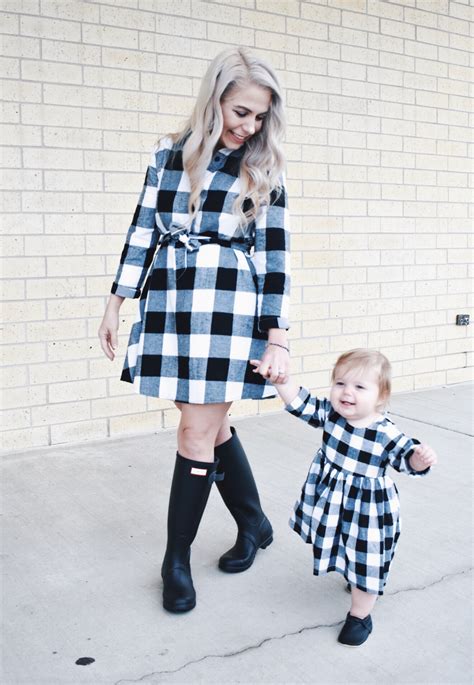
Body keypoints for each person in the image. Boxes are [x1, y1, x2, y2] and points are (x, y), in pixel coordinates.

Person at [98, 47, 290, 614]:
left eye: (259, 117)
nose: (248, 126)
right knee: (210, 424)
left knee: (194, 434)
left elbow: (275, 257)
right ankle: (254, 523)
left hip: (231, 308)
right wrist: (116, 302)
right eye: (239, 112)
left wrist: (276, 335)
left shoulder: (265, 167)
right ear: (214, 102)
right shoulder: (167, 156)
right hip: (171, 304)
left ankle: (175, 561)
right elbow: (141, 230)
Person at [251, 348, 437, 645]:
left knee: (365, 558)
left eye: (359, 387)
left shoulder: (385, 433)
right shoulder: (332, 415)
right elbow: (301, 402)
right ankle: (352, 576)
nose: (347, 392)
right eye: (340, 383)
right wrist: (279, 379)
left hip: (369, 510)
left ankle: (360, 615)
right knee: (340, 543)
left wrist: (420, 459)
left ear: (380, 397)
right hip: (333, 503)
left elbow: (406, 459)